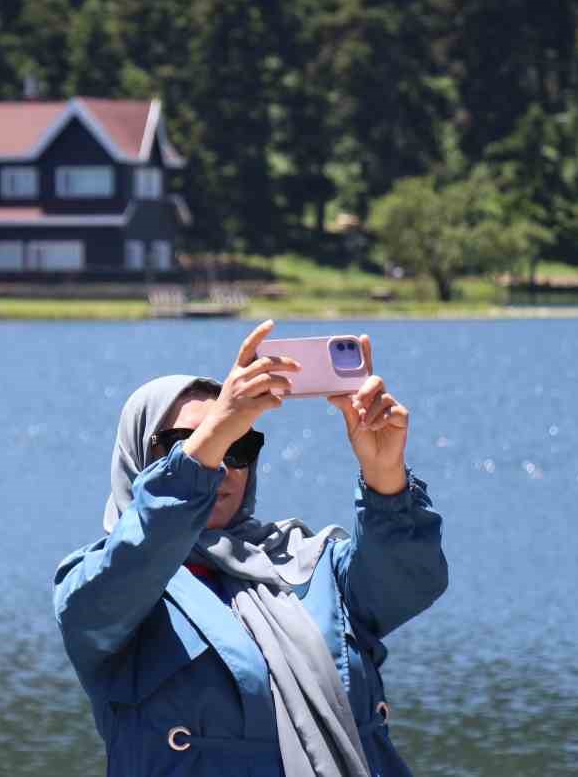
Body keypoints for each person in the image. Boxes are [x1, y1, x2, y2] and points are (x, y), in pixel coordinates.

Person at [54, 321, 448, 777]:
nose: (221, 464)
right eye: (188, 444)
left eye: (239, 443)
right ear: (138, 458)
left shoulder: (311, 566)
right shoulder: (98, 588)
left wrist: (385, 477)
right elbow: (133, 558)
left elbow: (410, 580)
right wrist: (210, 440)